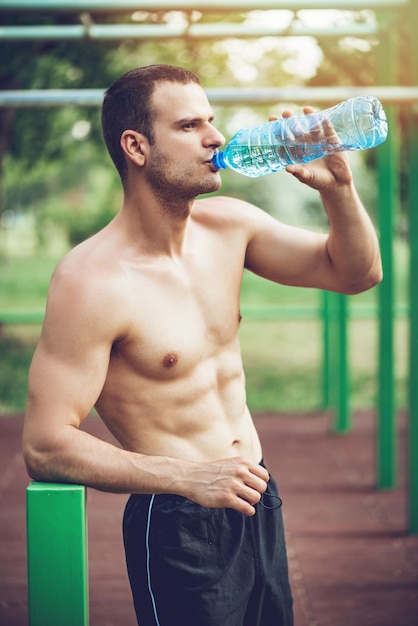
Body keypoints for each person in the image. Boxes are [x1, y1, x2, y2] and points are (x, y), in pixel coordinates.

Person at [23, 64, 382, 626]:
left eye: (211, 121)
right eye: (190, 125)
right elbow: (44, 445)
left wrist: (340, 191)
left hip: (256, 498)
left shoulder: (230, 227)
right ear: (136, 147)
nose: (215, 137)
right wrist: (187, 476)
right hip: (178, 519)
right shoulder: (89, 282)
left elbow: (356, 273)